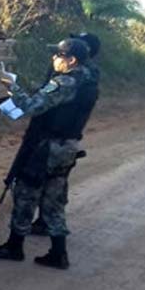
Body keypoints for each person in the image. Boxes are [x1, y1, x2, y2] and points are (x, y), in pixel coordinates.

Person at [0, 37, 99, 270]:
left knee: (26, 192)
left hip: (47, 147)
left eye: (59, 55)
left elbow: (32, 106)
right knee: (53, 200)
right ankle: (59, 253)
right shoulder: (88, 79)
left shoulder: (64, 83)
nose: (54, 59)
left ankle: (14, 246)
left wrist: (11, 85)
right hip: (66, 146)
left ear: (72, 60)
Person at [30, 31, 100, 235]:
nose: (55, 58)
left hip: (55, 137)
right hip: (64, 138)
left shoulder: (72, 78)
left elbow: (40, 103)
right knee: (56, 184)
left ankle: (41, 225)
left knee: (40, 184)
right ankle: (54, 239)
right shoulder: (87, 75)